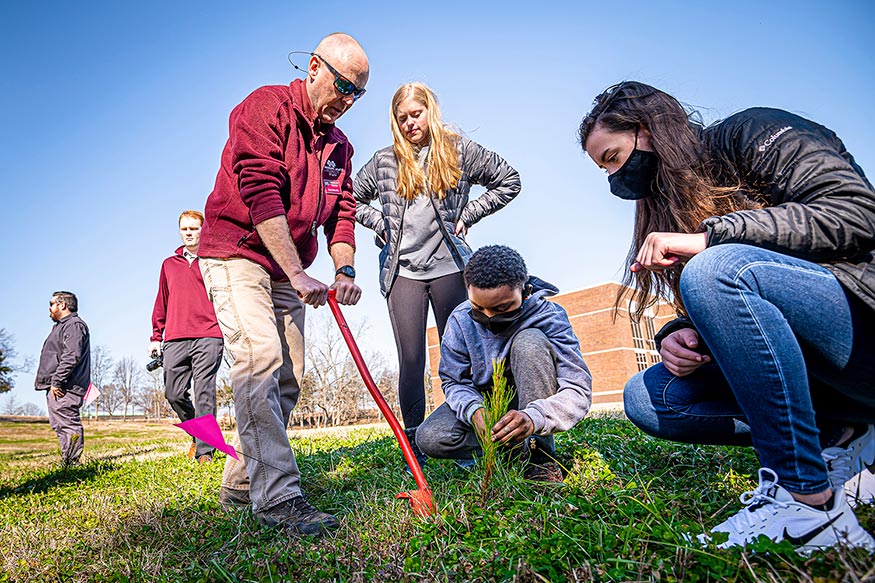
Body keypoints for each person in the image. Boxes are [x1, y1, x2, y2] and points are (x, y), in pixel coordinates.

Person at [578, 81, 875, 552]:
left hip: (862, 327)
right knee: (650, 395)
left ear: (648, 130)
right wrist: (681, 334)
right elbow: (746, 300)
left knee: (715, 268)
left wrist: (714, 239)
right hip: (826, 376)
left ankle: (808, 505)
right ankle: (846, 440)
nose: (615, 179)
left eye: (613, 157)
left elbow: (857, 213)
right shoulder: (676, 199)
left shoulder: (750, 131)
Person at [197, 33, 367, 536]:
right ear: (314, 67)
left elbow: (341, 213)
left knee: (287, 377)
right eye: (342, 86)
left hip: (289, 267)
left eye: (358, 93)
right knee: (260, 358)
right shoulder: (265, 106)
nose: (348, 101)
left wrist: (344, 270)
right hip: (237, 252)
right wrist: (297, 272)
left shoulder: (339, 146)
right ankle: (278, 499)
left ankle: (240, 483)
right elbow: (260, 191)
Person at [354, 82, 521, 465]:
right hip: (403, 274)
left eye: (416, 114)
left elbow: (509, 179)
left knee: (459, 354)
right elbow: (349, 197)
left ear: (430, 110)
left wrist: (469, 214)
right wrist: (380, 222)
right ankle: (415, 446)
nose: (411, 123)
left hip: (450, 269)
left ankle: (467, 437)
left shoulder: (458, 150)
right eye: (402, 118)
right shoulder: (384, 161)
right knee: (411, 359)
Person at [415, 245, 592, 481]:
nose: (489, 317)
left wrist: (533, 418)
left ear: (525, 292)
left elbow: (578, 389)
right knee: (430, 437)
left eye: (502, 308)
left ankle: (541, 458)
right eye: (478, 308)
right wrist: (473, 410)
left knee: (529, 341)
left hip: (531, 403)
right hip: (487, 402)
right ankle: (511, 452)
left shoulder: (550, 317)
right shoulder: (459, 319)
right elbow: (453, 380)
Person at [149, 210, 224, 463]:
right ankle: (198, 433)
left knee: (204, 392)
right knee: (174, 393)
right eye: (184, 229)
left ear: (204, 229)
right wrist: (155, 337)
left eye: (194, 228)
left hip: (209, 335)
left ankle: (205, 453)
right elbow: (162, 302)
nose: (189, 233)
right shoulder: (169, 265)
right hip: (175, 338)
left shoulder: (214, 261)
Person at [35, 291, 90, 466]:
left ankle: (72, 463)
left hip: (66, 386)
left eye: (51, 304)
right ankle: (68, 461)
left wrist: (57, 381)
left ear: (62, 305)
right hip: (58, 386)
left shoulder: (73, 325)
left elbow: (71, 355)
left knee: (67, 423)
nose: (49, 309)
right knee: (60, 425)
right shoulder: (62, 326)